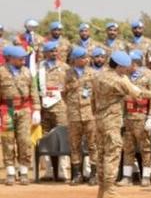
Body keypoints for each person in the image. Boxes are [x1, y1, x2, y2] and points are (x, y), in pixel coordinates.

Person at [92, 51, 151, 198]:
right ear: (119, 66)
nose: (127, 70)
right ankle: (109, 190)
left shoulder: (98, 76)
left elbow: (92, 99)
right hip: (111, 120)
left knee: (101, 153)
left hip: (99, 120)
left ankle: (102, 189)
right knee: (112, 154)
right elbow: (138, 93)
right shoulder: (117, 81)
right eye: (125, 67)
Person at [0, 45, 39, 185]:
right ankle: (10, 172)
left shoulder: (27, 72)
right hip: (6, 110)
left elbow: (34, 91)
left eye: (24, 58)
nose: (23, 61)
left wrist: (37, 109)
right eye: (20, 59)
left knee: (25, 141)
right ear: (10, 58)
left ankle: (24, 171)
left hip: (24, 110)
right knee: (8, 141)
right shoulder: (1, 72)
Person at [120, 51, 151, 186]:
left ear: (134, 64)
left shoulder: (148, 76)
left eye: (127, 64)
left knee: (145, 148)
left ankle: (146, 176)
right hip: (128, 117)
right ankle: (127, 176)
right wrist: (121, 116)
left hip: (142, 116)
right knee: (128, 148)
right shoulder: (124, 77)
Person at [63, 47, 98, 185]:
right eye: (83, 58)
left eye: (86, 57)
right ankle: (77, 174)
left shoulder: (93, 73)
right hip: (74, 114)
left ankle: (94, 174)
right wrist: (72, 105)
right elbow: (63, 93)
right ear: (75, 59)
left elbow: (97, 93)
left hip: (90, 114)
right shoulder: (67, 73)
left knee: (93, 144)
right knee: (75, 144)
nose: (86, 60)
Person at [38, 41, 72, 182]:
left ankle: (63, 170)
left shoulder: (65, 67)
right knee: (45, 137)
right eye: (51, 51)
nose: (54, 53)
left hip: (61, 106)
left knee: (62, 136)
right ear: (45, 53)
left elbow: (70, 86)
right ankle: (48, 171)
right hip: (44, 107)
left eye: (55, 50)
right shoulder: (40, 68)